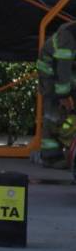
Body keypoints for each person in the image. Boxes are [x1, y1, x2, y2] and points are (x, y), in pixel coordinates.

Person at [37, 21, 75, 169]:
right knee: (54, 110)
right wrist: (64, 96)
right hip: (50, 71)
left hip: (67, 71)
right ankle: (50, 156)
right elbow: (62, 69)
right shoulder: (68, 37)